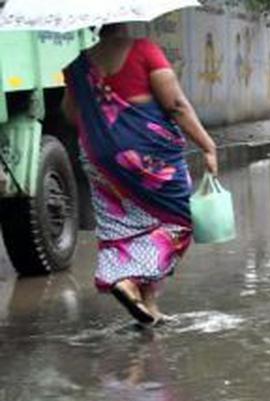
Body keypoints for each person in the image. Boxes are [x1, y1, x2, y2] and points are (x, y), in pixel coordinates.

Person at [62, 23, 217, 325]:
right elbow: (175, 105)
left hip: (99, 158)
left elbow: (70, 113)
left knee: (121, 225)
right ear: (125, 19)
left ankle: (147, 306)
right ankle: (127, 280)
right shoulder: (144, 50)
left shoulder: (77, 65)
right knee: (180, 219)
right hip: (145, 154)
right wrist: (207, 145)